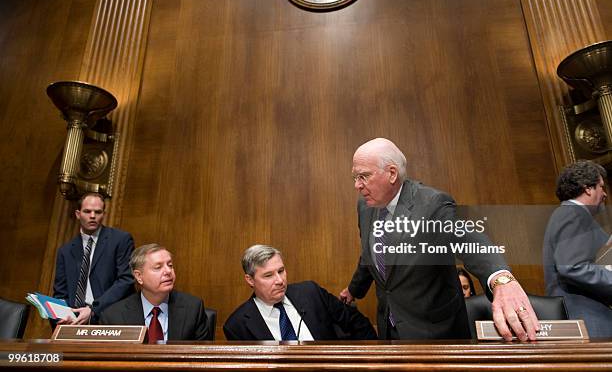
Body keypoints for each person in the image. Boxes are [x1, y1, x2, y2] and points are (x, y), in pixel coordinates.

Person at [339, 138, 539, 341]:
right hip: (390, 331)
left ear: (392, 173)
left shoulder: (431, 204)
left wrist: (501, 279)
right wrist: (354, 289)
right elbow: (372, 252)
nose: (357, 185)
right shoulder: (365, 207)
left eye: (363, 176)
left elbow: (468, 240)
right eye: (355, 177)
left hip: (436, 335)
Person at [223, 244, 377, 341]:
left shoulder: (311, 293)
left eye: (281, 271)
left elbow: (359, 324)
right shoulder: (237, 325)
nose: (279, 280)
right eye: (268, 275)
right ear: (250, 280)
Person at [543, 160, 612, 337]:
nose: (604, 194)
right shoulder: (572, 213)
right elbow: (572, 266)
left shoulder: (576, 216)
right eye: (601, 187)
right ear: (588, 188)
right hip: (588, 319)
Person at [53, 192, 134, 325]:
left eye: (97, 212)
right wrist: (64, 315)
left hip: (109, 316)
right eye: (87, 211)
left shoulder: (120, 240)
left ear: (104, 214)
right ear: (78, 214)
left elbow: (126, 280)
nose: (92, 216)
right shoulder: (65, 251)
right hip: (74, 320)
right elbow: (60, 292)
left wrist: (93, 309)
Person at [100, 244, 209, 342]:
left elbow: (202, 357)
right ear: (139, 276)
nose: (168, 271)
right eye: (158, 267)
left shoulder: (193, 309)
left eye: (170, 265)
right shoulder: (113, 317)